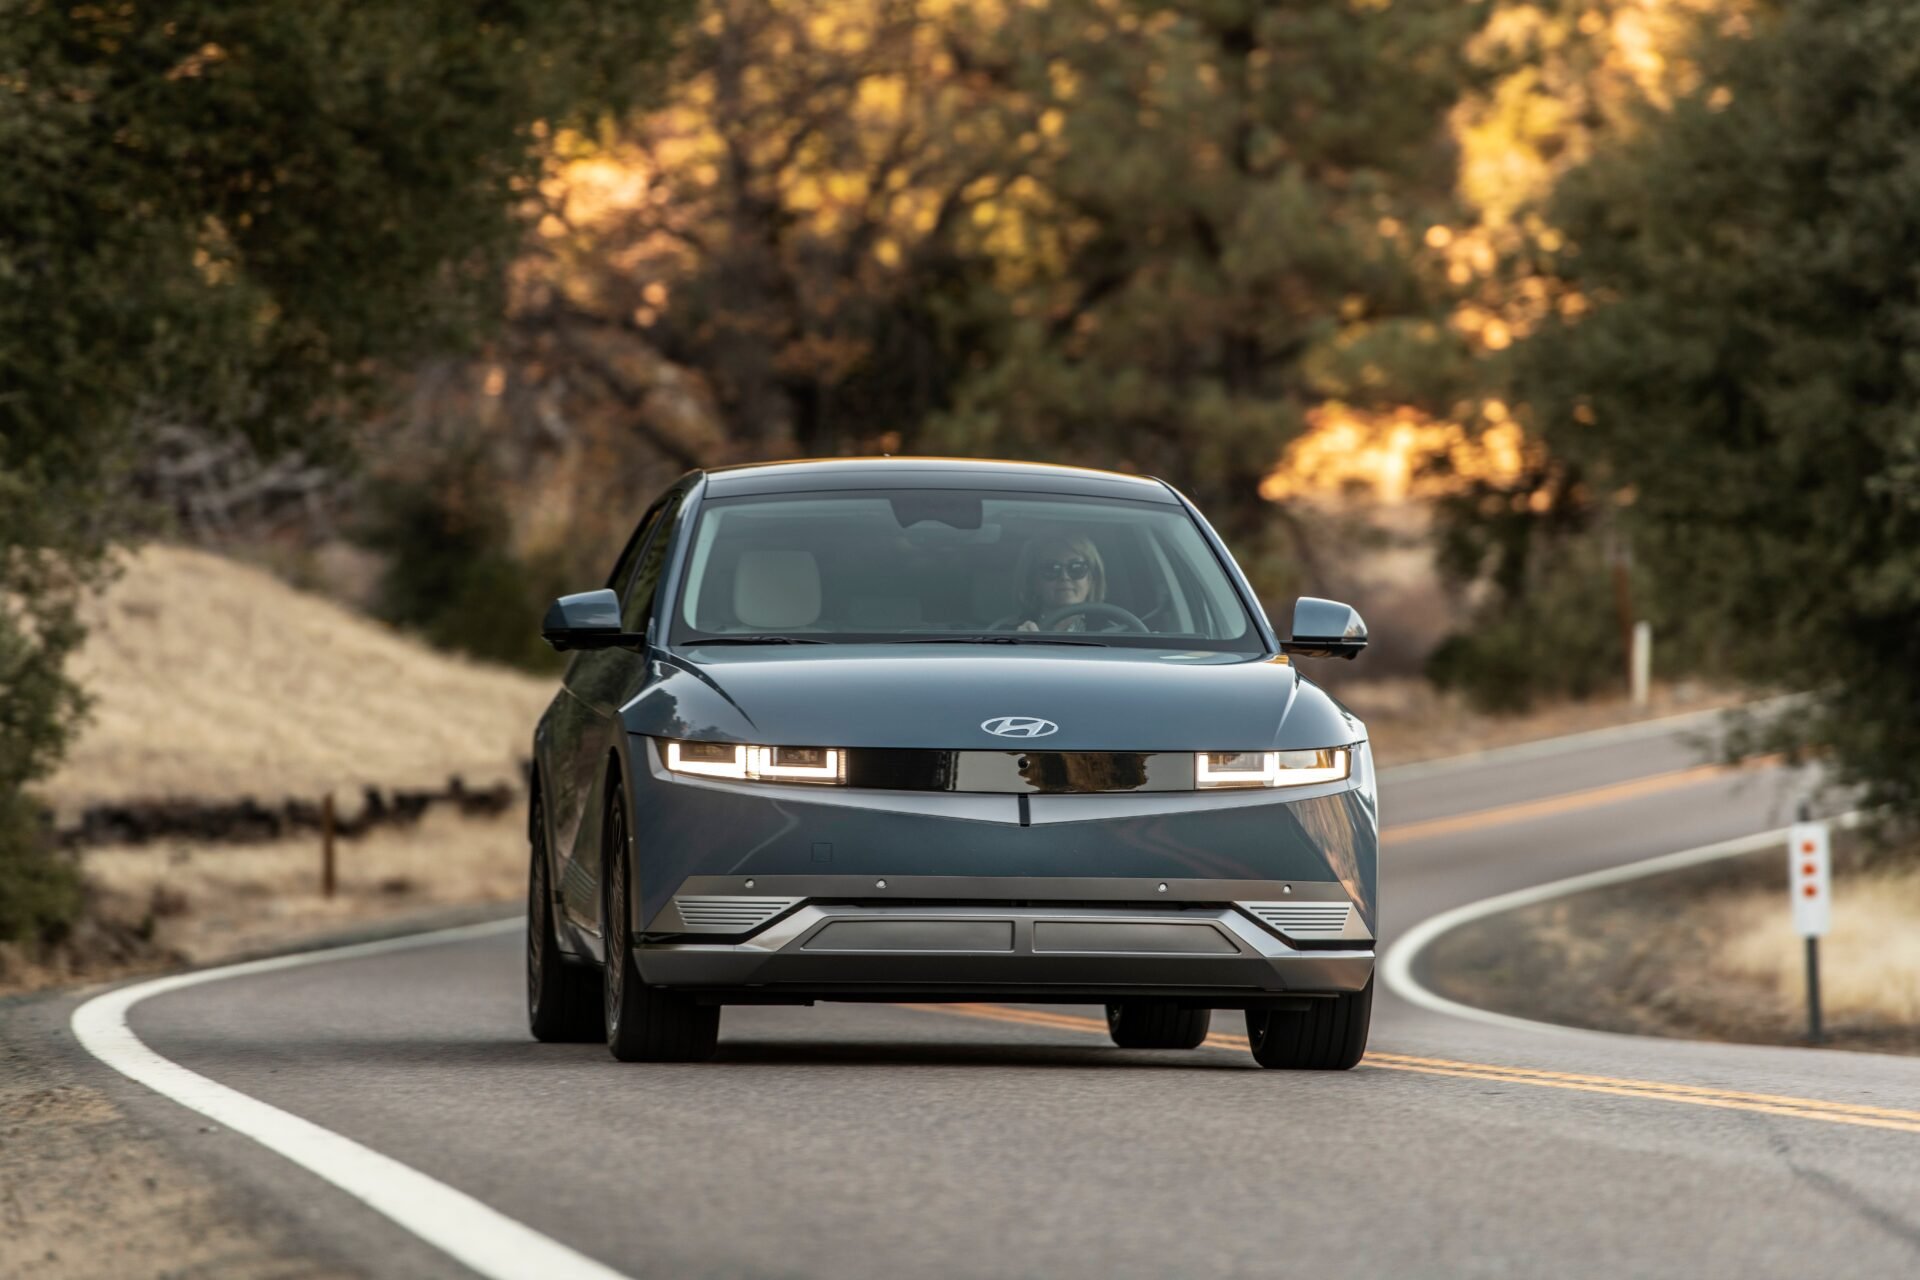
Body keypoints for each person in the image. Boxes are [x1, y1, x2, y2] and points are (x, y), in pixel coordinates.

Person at [1011, 533, 1106, 631]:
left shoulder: (1115, 633)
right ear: (1034, 581)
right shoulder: (1005, 634)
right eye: (1052, 569)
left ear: (1091, 579)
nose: (1065, 577)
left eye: (1076, 568)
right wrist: (1020, 643)